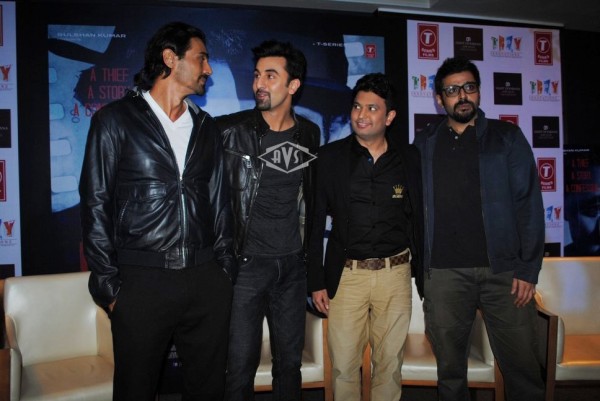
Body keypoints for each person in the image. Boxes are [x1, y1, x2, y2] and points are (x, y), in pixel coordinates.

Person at [79, 22, 235, 401]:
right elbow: (95, 203)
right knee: (136, 390)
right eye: (201, 58)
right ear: (170, 58)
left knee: (209, 390)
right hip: (142, 281)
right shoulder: (114, 120)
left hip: (205, 278)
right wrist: (110, 287)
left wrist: (224, 271)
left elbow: (220, 202)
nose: (208, 69)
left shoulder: (206, 127)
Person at [413, 57, 545, 401]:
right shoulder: (423, 144)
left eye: (469, 87)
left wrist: (528, 269)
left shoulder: (507, 137)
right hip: (444, 274)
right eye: (452, 90)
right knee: (450, 374)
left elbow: (529, 205)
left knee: (524, 369)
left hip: (504, 273)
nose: (462, 96)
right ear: (439, 98)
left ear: (479, 91)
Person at [308, 73, 423, 401]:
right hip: (347, 276)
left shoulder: (409, 158)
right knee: (344, 368)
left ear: (389, 116)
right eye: (357, 106)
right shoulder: (328, 158)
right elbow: (314, 223)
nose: (361, 115)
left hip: (395, 274)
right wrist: (316, 280)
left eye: (372, 108)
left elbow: (418, 217)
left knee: (389, 366)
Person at [216, 40, 320, 401]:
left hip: (292, 266)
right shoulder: (229, 131)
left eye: (270, 76)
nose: (259, 83)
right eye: (257, 75)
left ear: (293, 85)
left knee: (289, 365)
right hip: (246, 267)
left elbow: (308, 201)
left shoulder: (308, 134)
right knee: (239, 366)